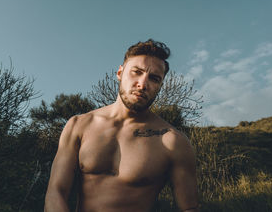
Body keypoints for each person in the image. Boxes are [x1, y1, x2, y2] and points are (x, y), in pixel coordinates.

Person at [44, 39, 199, 212]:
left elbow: (189, 208)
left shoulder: (172, 141)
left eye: (154, 78)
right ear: (120, 72)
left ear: (160, 86)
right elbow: (56, 191)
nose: (142, 84)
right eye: (136, 72)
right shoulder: (79, 125)